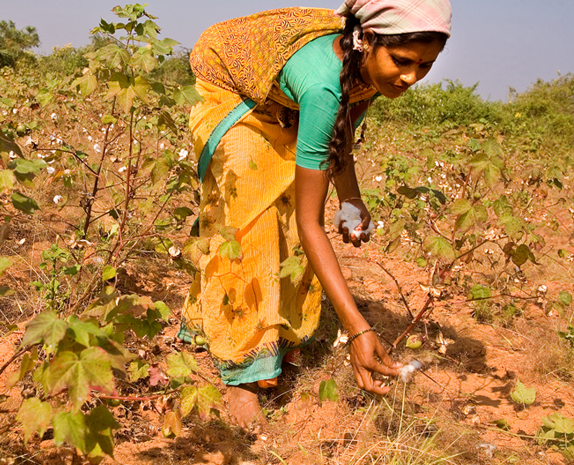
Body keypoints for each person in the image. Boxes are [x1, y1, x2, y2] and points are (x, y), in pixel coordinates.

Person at [179, 0, 452, 429]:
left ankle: (268, 337)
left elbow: (337, 134)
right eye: (402, 61)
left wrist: (351, 199)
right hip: (232, 92)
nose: (411, 77)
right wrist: (359, 329)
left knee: (290, 211)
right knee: (256, 220)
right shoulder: (323, 84)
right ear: (366, 41)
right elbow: (313, 224)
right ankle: (242, 376)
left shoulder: (366, 74)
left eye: (426, 66)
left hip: (286, 100)